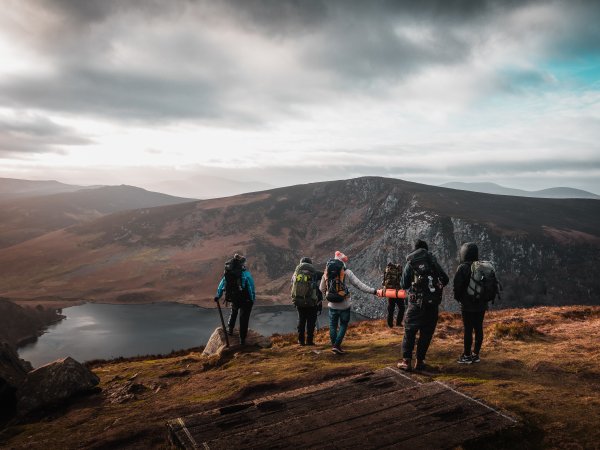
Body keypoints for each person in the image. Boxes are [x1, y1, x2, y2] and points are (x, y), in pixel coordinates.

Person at [398, 239, 449, 371]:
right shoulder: (432, 261)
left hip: (415, 304)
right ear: (426, 249)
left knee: (409, 332)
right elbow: (445, 279)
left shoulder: (411, 262)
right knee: (426, 334)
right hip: (432, 304)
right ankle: (420, 362)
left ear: (415, 249)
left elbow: (404, 285)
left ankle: (406, 362)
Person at [320, 251, 378, 355]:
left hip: (332, 304)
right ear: (343, 262)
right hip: (344, 304)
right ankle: (336, 346)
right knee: (343, 324)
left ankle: (334, 346)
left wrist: (329, 294)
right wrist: (373, 291)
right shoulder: (347, 272)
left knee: (332, 325)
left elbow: (321, 288)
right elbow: (359, 285)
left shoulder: (326, 272)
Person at [453, 242, 490, 364]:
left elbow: (457, 286)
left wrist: (460, 299)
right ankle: (476, 355)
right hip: (481, 304)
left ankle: (466, 356)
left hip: (467, 305)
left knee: (468, 329)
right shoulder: (482, 266)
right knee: (478, 328)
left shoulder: (462, 268)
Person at [214, 253, 256, 345]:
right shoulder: (245, 274)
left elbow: (222, 285)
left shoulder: (229, 273)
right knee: (244, 318)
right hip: (246, 300)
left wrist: (218, 295)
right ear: (242, 264)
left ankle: (230, 329)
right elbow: (251, 287)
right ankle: (242, 339)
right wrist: (252, 298)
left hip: (234, 298)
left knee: (234, 312)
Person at [291, 257, 321, 346]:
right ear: (310, 264)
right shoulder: (315, 273)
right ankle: (309, 341)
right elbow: (326, 276)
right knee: (311, 321)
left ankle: (301, 341)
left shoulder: (295, 274)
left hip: (299, 301)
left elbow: (292, 285)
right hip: (312, 302)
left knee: (301, 320)